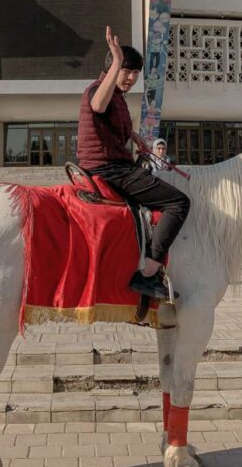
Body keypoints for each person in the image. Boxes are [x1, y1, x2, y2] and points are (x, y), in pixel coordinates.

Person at [77, 26, 190, 300]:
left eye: (135, 74)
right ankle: (148, 274)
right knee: (179, 202)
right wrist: (117, 61)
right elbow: (97, 107)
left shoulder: (118, 97)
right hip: (109, 170)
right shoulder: (98, 90)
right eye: (126, 72)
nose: (130, 78)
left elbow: (108, 122)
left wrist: (134, 136)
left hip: (111, 165)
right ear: (112, 69)